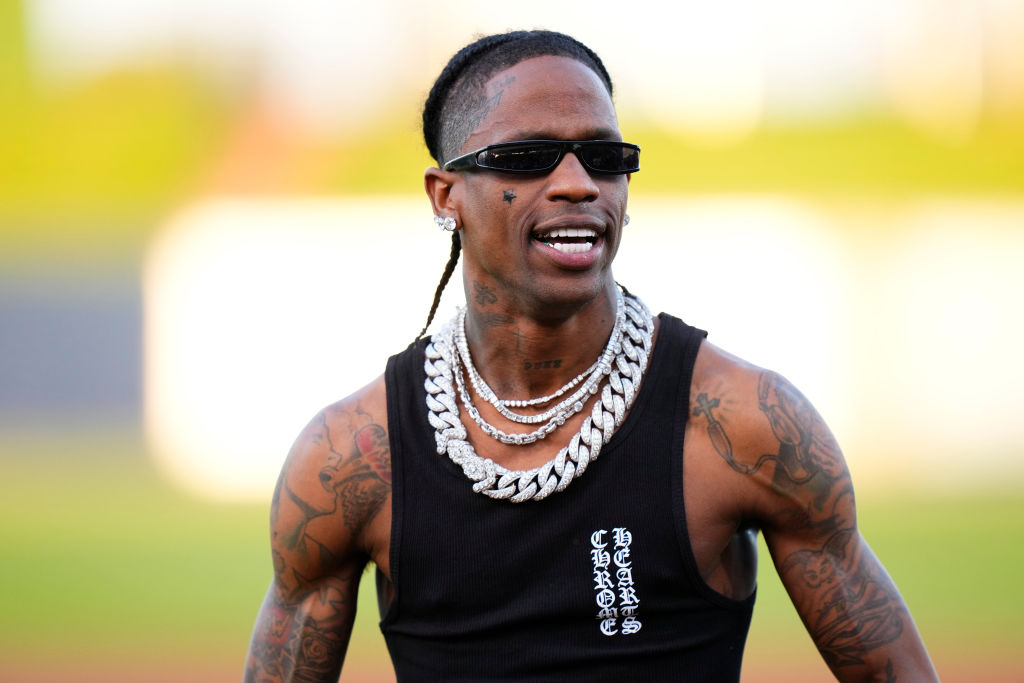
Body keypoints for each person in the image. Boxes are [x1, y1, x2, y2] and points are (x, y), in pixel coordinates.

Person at [244, 30, 938, 682]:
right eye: (529, 157)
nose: (578, 183)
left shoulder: (744, 424)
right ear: (446, 195)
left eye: (605, 158)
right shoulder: (349, 459)